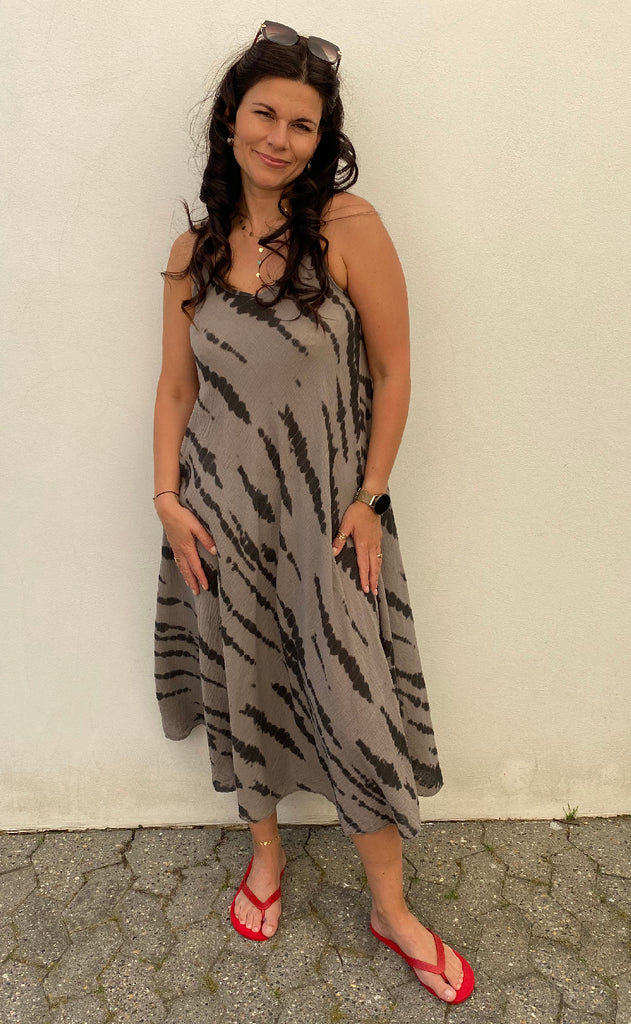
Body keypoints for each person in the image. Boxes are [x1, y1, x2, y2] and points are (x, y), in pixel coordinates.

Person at [153, 20, 474, 1005]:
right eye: (265, 114)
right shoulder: (193, 250)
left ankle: (391, 908)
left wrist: (371, 497)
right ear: (231, 119)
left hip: (327, 520)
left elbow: (394, 370)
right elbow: (175, 389)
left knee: (354, 705)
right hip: (219, 518)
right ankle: (266, 857)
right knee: (242, 679)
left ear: (320, 138)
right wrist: (166, 499)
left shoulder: (347, 227)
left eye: (302, 124)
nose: (280, 138)